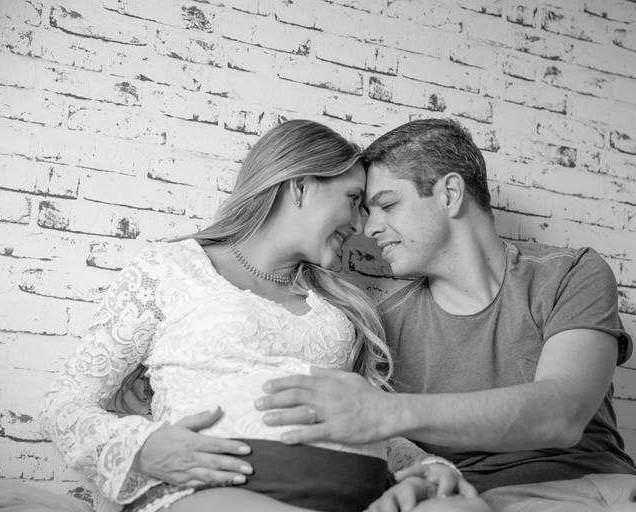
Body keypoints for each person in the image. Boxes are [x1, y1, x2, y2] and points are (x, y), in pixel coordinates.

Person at [255, 118, 636, 512]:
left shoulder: (570, 274)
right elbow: (384, 449)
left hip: (603, 492)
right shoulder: (381, 324)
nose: (370, 229)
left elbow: (561, 414)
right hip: (478, 502)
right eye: (365, 212)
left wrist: (386, 412)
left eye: (387, 205)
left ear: (450, 194)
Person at [39, 120, 481, 512]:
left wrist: (425, 465)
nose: (360, 226)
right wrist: (144, 447)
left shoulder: (340, 306)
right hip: (214, 490)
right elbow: (64, 405)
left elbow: (362, 415)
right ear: (300, 187)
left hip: (357, 493)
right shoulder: (170, 270)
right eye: (352, 200)